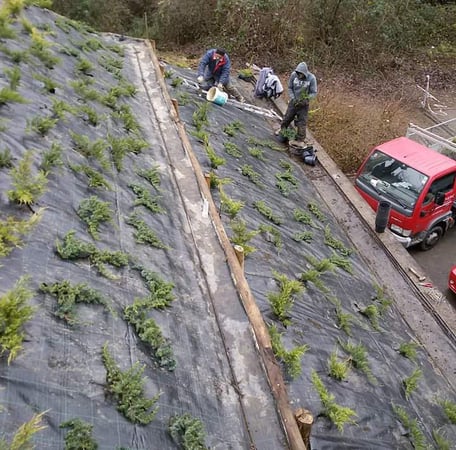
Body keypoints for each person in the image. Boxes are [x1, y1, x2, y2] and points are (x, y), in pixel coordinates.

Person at [275, 62, 317, 146]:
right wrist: (293, 98)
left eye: (301, 74)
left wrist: (306, 99)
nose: (299, 75)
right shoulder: (294, 75)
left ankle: (300, 139)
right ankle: (282, 129)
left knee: (302, 122)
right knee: (288, 117)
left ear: (304, 73)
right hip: (294, 102)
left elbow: (313, 92)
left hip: (303, 104)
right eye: (298, 73)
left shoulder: (311, 78)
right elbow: (290, 87)